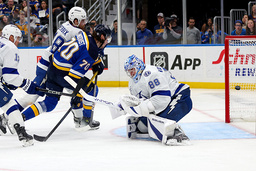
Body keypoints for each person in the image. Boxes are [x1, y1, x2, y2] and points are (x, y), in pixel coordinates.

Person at [21, 25, 111, 131]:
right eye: (108, 39)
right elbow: (74, 76)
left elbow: (81, 51)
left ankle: (19, 118)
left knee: (49, 103)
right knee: (91, 89)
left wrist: (96, 62)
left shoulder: (85, 34)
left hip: (52, 69)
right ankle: (85, 121)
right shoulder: (92, 51)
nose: (108, 42)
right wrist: (78, 94)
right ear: (102, 37)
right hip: (64, 75)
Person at [110, 55, 192, 146]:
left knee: (160, 122)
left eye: (132, 70)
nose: (131, 74)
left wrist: (139, 108)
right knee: (142, 127)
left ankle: (177, 133)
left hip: (179, 97)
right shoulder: (132, 82)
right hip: (165, 101)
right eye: (128, 71)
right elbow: (140, 101)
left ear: (138, 66)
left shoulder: (152, 74)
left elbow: (161, 100)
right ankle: (167, 127)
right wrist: (125, 105)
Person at [0, 24, 42, 147]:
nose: (18, 41)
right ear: (11, 37)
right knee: (8, 103)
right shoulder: (10, 47)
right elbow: (10, 76)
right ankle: (21, 132)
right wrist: (27, 84)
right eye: (17, 38)